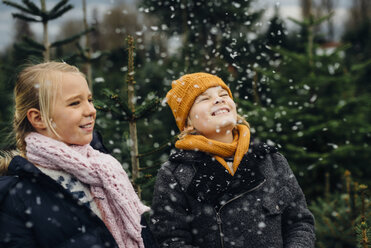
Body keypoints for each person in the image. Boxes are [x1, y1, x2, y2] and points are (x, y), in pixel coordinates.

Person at [0, 62, 157, 248]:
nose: (91, 110)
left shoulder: (106, 170)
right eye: (75, 103)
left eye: (89, 100)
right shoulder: (15, 198)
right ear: (38, 118)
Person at [150, 72, 315, 247]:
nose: (218, 100)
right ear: (188, 122)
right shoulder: (176, 173)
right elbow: (171, 240)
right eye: (204, 99)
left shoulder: (271, 160)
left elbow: (300, 223)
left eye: (223, 95)